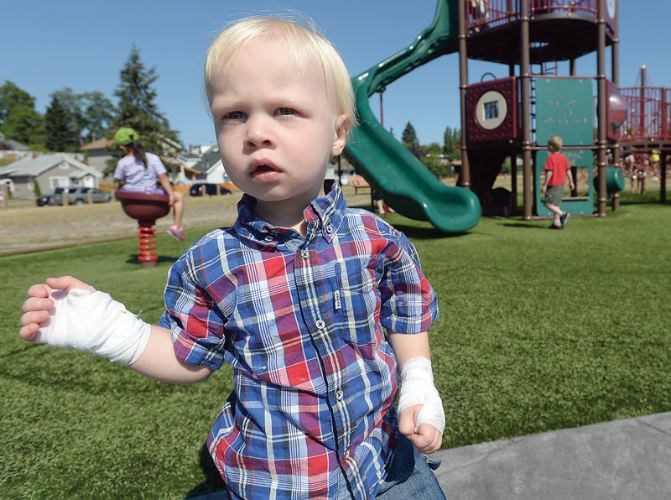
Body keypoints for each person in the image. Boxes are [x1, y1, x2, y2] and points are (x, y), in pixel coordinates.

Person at [19, 16, 446, 499]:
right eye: (233, 115)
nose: (256, 132)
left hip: (388, 463)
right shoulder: (212, 262)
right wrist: (109, 329)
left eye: (284, 109)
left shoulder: (375, 237)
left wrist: (418, 382)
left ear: (338, 133)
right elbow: (189, 359)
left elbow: (406, 311)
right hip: (279, 482)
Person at [113, 127, 186, 241]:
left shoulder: (122, 162)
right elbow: (163, 177)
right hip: (151, 199)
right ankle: (176, 227)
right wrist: (170, 194)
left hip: (132, 203)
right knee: (179, 197)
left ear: (122, 147)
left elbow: (120, 182)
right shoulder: (153, 158)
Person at [541, 135, 575, 229]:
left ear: (552, 147)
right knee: (556, 204)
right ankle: (557, 223)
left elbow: (550, 173)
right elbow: (568, 170)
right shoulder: (563, 157)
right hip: (561, 184)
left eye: (548, 145)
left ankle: (563, 214)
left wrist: (545, 184)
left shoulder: (550, 158)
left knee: (547, 203)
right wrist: (571, 182)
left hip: (553, 184)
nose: (547, 147)